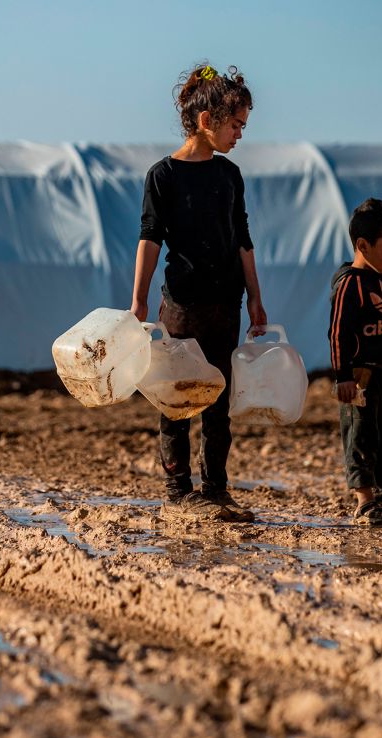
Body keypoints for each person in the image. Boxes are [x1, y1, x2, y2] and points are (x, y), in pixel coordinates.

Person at [130, 61, 267, 523]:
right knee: (177, 397)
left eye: (243, 125)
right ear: (207, 121)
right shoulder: (162, 176)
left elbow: (242, 238)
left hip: (225, 303)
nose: (240, 135)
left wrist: (256, 298)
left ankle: (216, 489)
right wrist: (139, 299)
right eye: (235, 124)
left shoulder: (230, 176)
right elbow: (150, 238)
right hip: (182, 305)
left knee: (218, 401)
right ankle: (178, 489)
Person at [328, 198, 382, 526]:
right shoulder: (350, 284)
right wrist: (343, 376)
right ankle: (364, 500)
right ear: (363, 245)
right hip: (360, 377)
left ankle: (381, 493)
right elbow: (337, 332)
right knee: (360, 436)